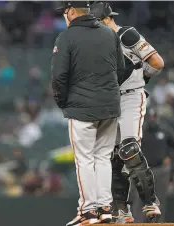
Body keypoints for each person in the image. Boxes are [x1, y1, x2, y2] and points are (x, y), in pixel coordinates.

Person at [90, 2, 165, 223]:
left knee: (129, 147)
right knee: (112, 154)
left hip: (132, 95)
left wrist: (143, 78)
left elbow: (157, 62)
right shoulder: (97, 43)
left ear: (104, 20)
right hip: (111, 99)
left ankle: (150, 201)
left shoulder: (126, 34)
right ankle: (120, 208)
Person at [51, 1, 125, 225]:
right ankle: (105, 207)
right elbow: (120, 70)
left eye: (64, 12)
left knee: (84, 159)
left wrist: (63, 102)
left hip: (81, 108)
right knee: (103, 157)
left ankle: (89, 211)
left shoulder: (67, 37)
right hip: (110, 106)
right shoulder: (109, 34)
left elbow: (58, 76)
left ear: (71, 12)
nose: (64, 16)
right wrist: (108, 94)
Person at [129, 108, 173, 223]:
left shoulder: (165, 131)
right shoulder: (139, 133)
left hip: (161, 170)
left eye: (155, 117)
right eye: (151, 117)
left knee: (159, 200)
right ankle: (137, 223)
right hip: (143, 170)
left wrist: (168, 157)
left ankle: (157, 223)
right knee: (139, 200)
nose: (153, 119)